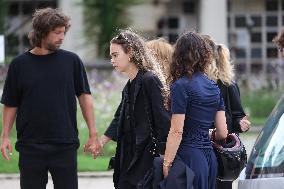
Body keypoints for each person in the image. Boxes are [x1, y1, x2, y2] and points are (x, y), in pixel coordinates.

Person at [0, 8, 101, 189]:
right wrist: (5, 135)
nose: (62, 37)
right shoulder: (19, 65)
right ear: (42, 32)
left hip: (64, 144)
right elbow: (10, 102)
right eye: (57, 33)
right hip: (30, 146)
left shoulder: (72, 61)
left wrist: (93, 134)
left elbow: (85, 97)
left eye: (63, 32)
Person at [91, 30, 171, 189]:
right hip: (128, 155)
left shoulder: (150, 79)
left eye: (115, 55)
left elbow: (164, 121)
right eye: (111, 56)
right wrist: (101, 142)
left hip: (146, 157)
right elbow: (119, 116)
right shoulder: (129, 85)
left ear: (131, 53)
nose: (112, 60)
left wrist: (165, 159)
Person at [162, 31, 228, 189]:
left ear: (179, 56)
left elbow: (177, 131)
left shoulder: (180, 86)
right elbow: (223, 133)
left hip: (188, 156)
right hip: (209, 158)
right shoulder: (213, 86)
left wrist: (167, 162)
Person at [205, 37, 251, 189]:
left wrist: (241, 124)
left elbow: (237, 114)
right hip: (203, 142)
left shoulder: (228, 84)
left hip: (222, 146)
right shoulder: (199, 83)